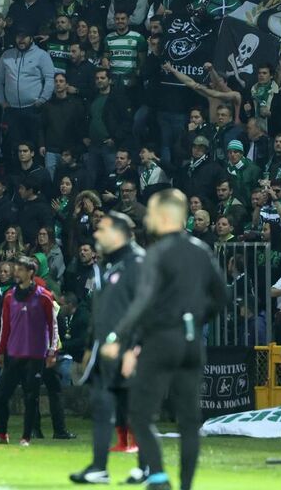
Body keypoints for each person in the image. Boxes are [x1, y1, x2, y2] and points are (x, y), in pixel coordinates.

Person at [100, 189, 226, 490]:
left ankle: (157, 477)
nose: (148, 218)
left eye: (153, 214)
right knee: (188, 422)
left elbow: (143, 302)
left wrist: (121, 337)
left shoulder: (156, 253)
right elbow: (222, 297)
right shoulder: (201, 251)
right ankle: (185, 486)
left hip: (162, 339)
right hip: (192, 342)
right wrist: (194, 320)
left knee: (140, 414)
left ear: (166, 216)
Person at [70, 212, 149, 486]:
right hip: (106, 350)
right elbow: (101, 310)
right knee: (104, 407)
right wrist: (91, 345)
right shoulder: (111, 265)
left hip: (128, 350)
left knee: (135, 411)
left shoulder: (138, 263)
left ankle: (148, 466)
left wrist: (135, 348)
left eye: (102, 231)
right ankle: (100, 468)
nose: (97, 236)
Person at [0, 255, 56, 446]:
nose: (16, 273)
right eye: (15, 269)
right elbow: (5, 326)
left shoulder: (44, 296)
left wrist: (52, 351)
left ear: (30, 272)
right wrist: (1, 351)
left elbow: (52, 325)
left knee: (31, 398)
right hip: (14, 354)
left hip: (35, 355)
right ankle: (3, 434)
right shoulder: (9, 296)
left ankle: (26, 437)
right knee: (2, 396)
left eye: (20, 269)